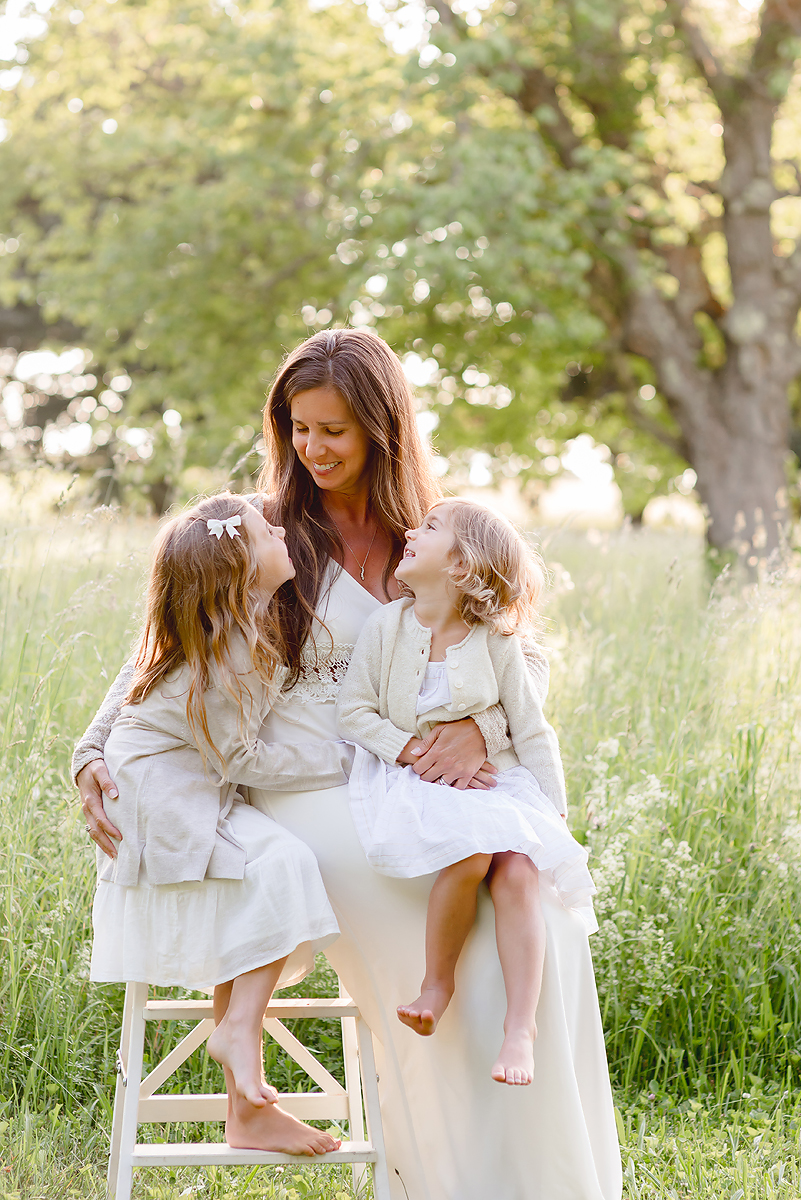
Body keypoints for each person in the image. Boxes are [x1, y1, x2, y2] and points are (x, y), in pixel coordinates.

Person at [77, 328, 622, 1200]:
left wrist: (481, 734)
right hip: (302, 796)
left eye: (333, 430)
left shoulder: (434, 534)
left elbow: (523, 646)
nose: (312, 449)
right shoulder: (265, 535)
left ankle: (540, 1182)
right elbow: (163, 653)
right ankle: (445, 1177)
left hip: (408, 783)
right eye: (299, 428)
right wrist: (90, 755)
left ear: (381, 428)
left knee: (540, 919)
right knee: (442, 919)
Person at [87, 490, 351, 1157]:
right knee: (282, 866)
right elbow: (242, 755)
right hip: (159, 790)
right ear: (239, 569)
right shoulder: (234, 640)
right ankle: (237, 1030)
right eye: (267, 532)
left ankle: (246, 1097)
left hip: (182, 780)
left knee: (265, 874)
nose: (281, 532)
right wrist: (348, 759)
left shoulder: (234, 619)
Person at [337, 498, 596, 1088]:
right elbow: (354, 712)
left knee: (519, 872)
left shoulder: (497, 642)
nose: (410, 530)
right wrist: (407, 749)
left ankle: (520, 1029)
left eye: (429, 528)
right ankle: (437, 983)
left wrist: (554, 809)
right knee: (473, 853)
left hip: (495, 782)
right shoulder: (387, 628)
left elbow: (531, 729)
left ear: (461, 566)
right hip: (416, 778)